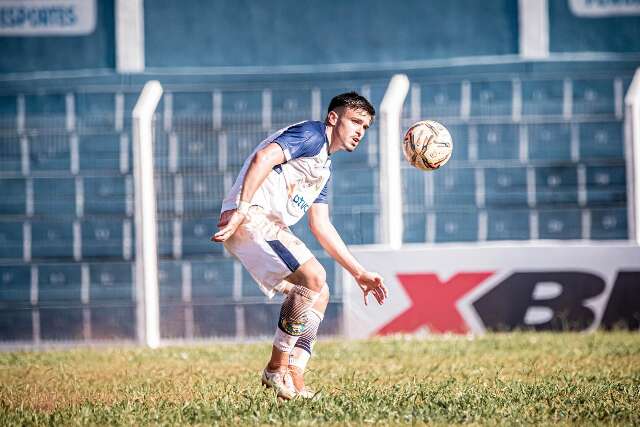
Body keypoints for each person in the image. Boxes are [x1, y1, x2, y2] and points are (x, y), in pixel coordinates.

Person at [211, 91, 388, 400]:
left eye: (366, 127)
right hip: (251, 216)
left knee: (320, 292)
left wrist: (358, 272)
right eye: (356, 121)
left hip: (266, 223)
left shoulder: (323, 167)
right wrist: (241, 210)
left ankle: (293, 377)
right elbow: (262, 158)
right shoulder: (312, 135)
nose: (360, 131)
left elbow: (320, 225)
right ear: (334, 118)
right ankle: (275, 370)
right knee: (314, 278)